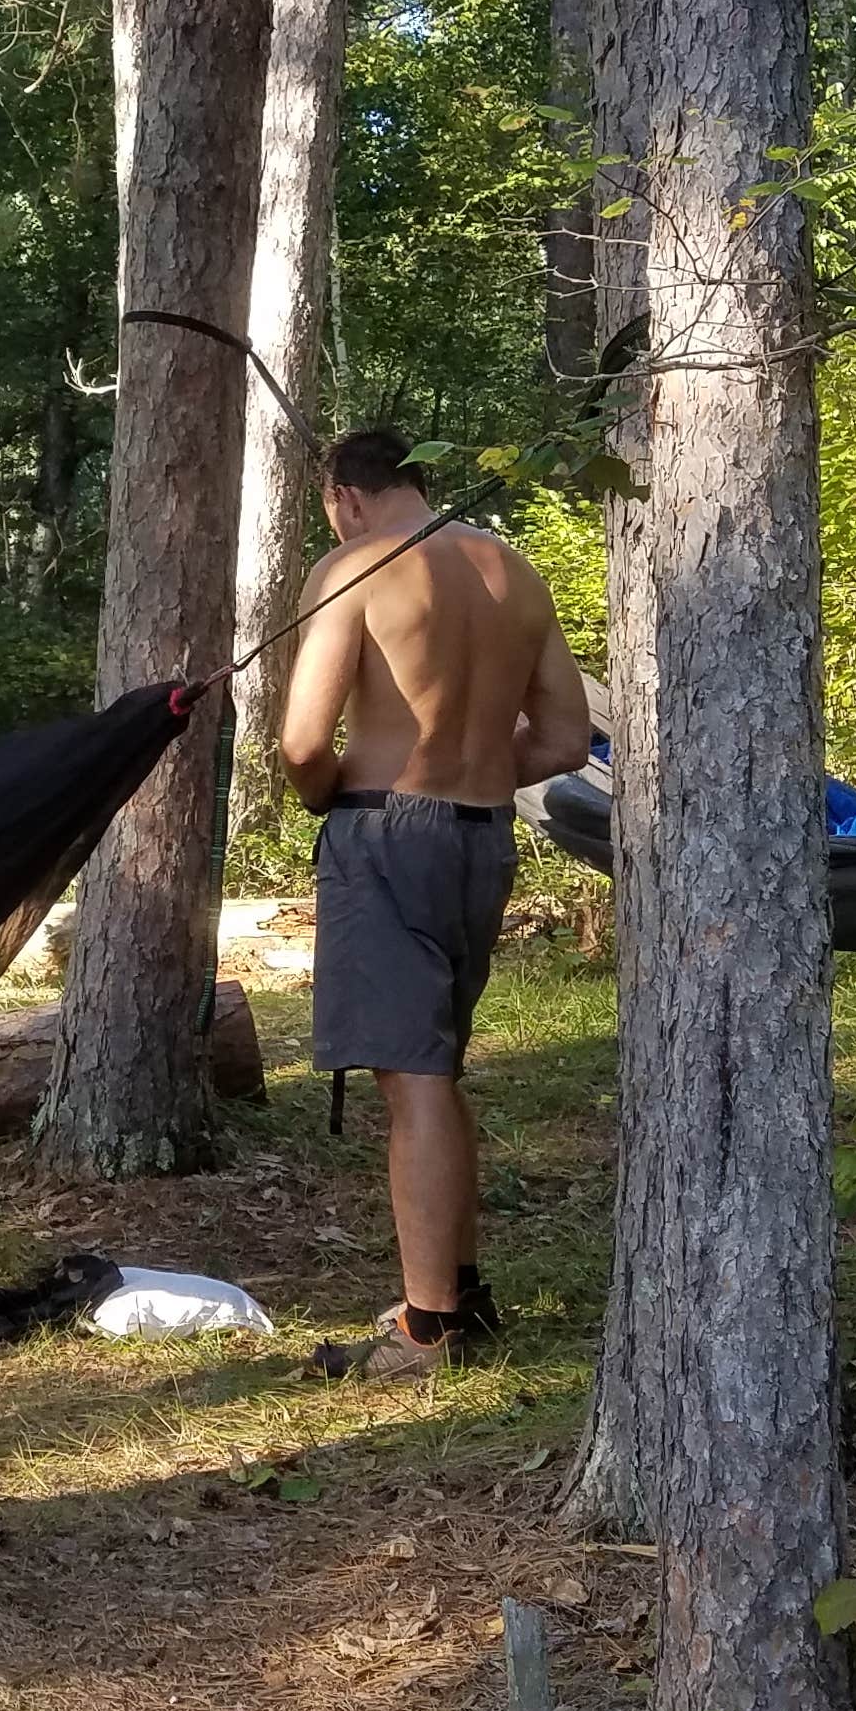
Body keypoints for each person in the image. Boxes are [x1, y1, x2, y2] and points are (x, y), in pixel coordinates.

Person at [276, 428, 592, 1381]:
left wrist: (330, 793)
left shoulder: (354, 566)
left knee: (411, 1080)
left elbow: (300, 742)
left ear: (346, 496)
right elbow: (570, 739)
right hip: (482, 835)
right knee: (437, 1067)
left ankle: (427, 1328)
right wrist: (484, 770)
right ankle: (458, 1288)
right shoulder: (513, 571)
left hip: (383, 831)